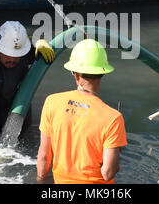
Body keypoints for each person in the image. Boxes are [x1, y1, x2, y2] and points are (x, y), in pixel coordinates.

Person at [37, 39, 127, 184]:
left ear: (75, 73)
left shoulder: (51, 102)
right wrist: (116, 153)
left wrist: (41, 180)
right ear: (103, 73)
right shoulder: (113, 118)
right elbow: (108, 173)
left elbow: (44, 156)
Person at [0, 21, 55, 150]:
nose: (13, 59)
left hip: (25, 129)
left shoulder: (21, 55)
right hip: (4, 137)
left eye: (16, 55)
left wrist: (39, 44)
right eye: (8, 54)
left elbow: (33, 55)